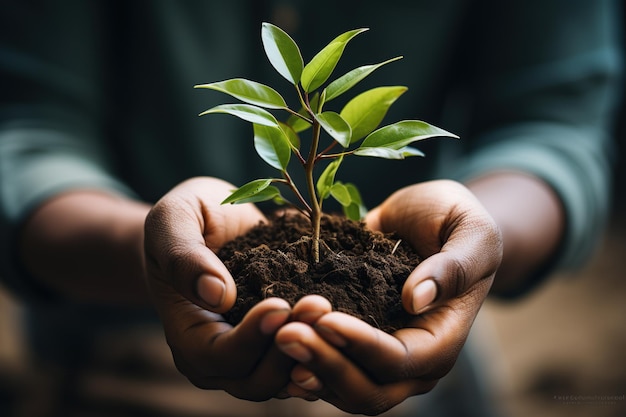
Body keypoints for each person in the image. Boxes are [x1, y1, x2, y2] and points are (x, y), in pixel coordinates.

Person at [0, 0, 622, 415]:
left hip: (424, 387)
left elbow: (554, 123)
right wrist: (153, 247)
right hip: (118, 369)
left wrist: (474, 237)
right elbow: (28, 131)